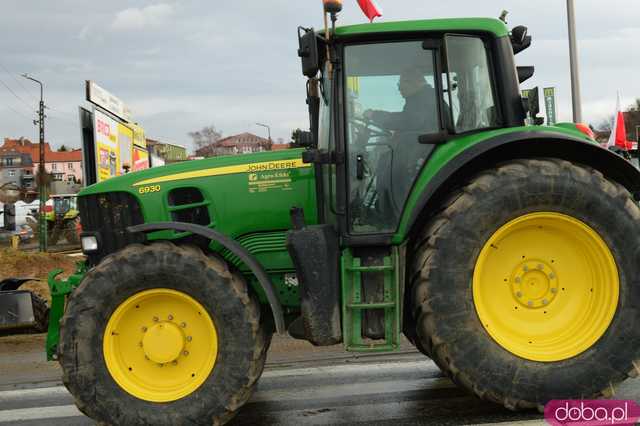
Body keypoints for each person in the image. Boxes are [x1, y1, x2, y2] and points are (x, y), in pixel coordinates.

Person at [363, 68, 437, 133]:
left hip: (425, 147)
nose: (399, 89)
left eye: (400, 84)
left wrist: (375, 115)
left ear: (412, 82)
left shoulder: (424, 99)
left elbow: (406, 121)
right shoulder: (427, 97)